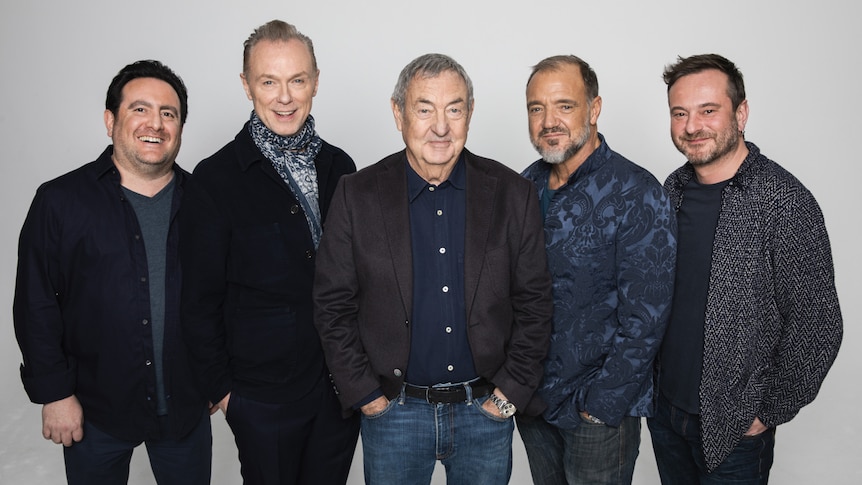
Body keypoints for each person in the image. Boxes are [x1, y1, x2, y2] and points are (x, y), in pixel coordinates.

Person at [312, 53, 554, 484]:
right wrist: (366, 395)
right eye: (424, 109)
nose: (440, 127)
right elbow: (332, 305)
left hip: (485, 414)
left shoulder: (513, 194)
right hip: (394, 415)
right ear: (398, 112)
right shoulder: (357, 194)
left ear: (470, 113)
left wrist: (507, 396)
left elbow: (535, 303)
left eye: (454, 109)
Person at [13, 60, 211, 485]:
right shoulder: (60, 201)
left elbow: (224, 298)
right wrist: (55, 394)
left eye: (168, 113)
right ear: (110, 120)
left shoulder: (207, 203)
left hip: (186, 407)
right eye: (139, 109)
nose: (154, 124)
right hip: (93, 407)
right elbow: (36, 303)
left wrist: (218, 376)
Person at [648, 53, 843, 484]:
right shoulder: (671, 190)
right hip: (666, 414)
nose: (692, 126)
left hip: (734, 429)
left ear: (741, 113)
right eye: (679, 113)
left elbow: (819, 324)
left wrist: (765, 412)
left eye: (708, 110)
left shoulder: (785, 202)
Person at [179, 20, 359, 485]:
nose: (285, 96)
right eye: (269, 81)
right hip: (261, 397)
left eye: (297, 80)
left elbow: (360, 278)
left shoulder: (341, 167)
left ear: (315, 82)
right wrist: (223, 392)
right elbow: (198, 298)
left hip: (338, 388)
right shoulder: (215, 178)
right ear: (246, 86)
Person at [515, 55, 676, 485]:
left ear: (594, 108)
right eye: (536, 108)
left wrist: (600, 405)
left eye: (564, 105)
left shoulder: (637, 191)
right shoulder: (522, 186)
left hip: (597, 412)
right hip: (532, 402)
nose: (549, 120)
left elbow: (647, 317)